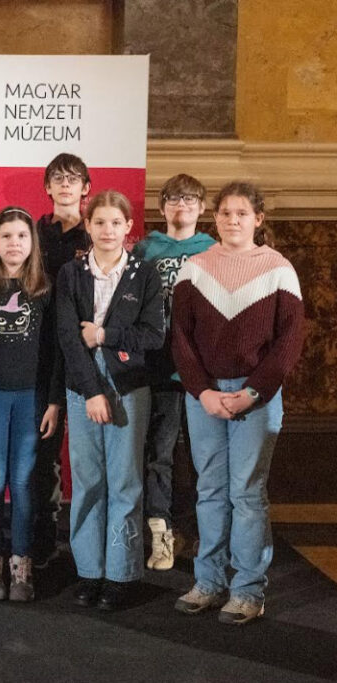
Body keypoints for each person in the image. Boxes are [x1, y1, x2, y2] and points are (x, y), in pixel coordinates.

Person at [171, 182, 303, 626]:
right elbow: (181, 339)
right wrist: (203, 391)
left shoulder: (279, 269)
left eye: (242, 213)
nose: (232, 220)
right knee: (210, 490)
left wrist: (252, 392)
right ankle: (208, 582)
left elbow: (289, 343)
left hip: (257, 397)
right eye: (225, 213)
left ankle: (247, 590)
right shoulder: (194, 269)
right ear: (216, 218)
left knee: (246, 493)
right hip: (205, 397)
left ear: (258, 220)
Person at [56, 190, 164, 611]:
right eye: (99, 222)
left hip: (130, 386)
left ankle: (120, 573)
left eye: (115, 223)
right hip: (83, 385)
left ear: (128, 227)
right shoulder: (71, 273)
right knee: (88, 482)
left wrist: (104, 334)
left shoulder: (145, 273)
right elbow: (69, 338)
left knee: (124, 482)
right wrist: (92, 391)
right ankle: (89, 571)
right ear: (87, 225)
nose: (107, 230)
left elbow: (152, 336)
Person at [0, 207, 63, 602]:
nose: (14, 243)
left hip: (31, 399)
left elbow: (55, 352)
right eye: (6, 236)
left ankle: (21, 561)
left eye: (22, 236)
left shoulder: (44, 289)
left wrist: (53, 401)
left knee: (22, 482)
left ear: (32, 242)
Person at [131, 174, 215, 571]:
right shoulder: (147, 249)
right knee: (159, 454)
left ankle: (202, 533)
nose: (182, 205)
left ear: (202, 207)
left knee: (203, 457)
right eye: (174, 199)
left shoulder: (212, 249)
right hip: (159, 367)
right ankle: (160, 533)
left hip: (201, 370)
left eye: (190, 199)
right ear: (162, 207)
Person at [33, 152, 93, 568]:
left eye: (73, 178)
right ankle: (43, 536)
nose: (66, 184)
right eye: (58, 178)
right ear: (48, 187)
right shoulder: (33, 233)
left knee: (90, 454)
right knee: (44, 450)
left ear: (86, 188)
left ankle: (91, 544)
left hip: (87, 351)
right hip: (39, 350)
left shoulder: (98, 232)